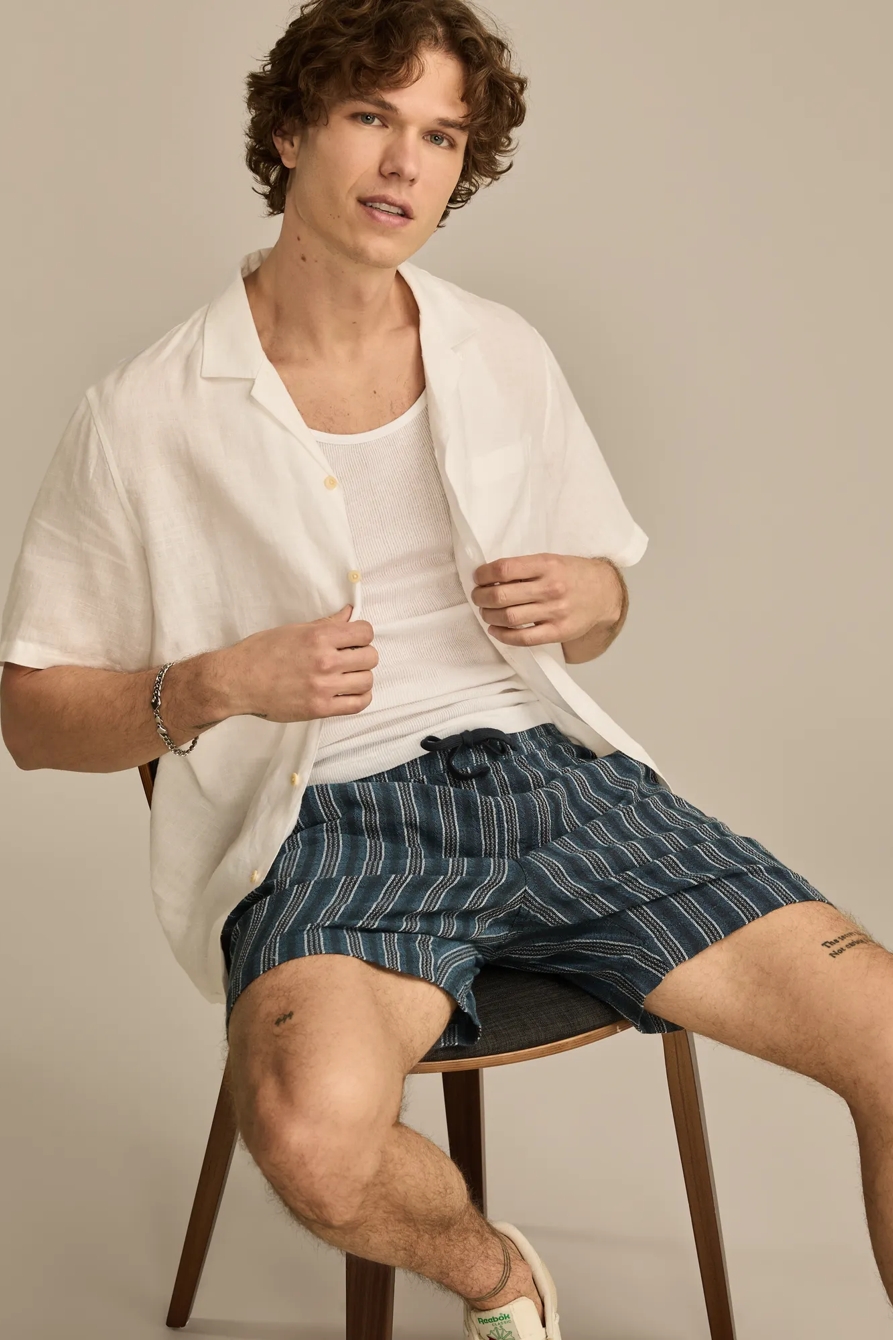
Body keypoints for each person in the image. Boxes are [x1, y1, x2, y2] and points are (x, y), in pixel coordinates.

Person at [1, 1, 891, 1336]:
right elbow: (30, 720)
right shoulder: (144, 413)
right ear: (290, 131)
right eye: (372, 117)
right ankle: (497, 1279)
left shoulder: (499, 351)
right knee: (310, 1140)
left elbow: (595, 617)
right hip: (326, 824)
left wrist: (598, 596)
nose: (402, 165)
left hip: (559, 788)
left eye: (439, 136)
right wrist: (218, 683)